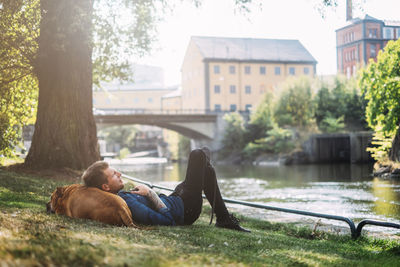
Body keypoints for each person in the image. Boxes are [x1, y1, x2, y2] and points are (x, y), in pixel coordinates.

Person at [82, 148, 250, 232]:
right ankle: (224, 218)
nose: (119, 173)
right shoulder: (127, 202)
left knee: (205, 171)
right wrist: (150, 193)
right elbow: (168, 220)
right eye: (113, 174)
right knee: (199, 154)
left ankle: (224, 218)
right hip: (186, 208)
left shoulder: (121, 196)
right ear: (106, 186)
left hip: (177, 197)